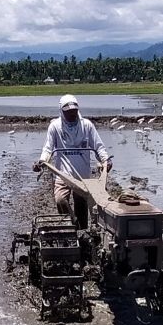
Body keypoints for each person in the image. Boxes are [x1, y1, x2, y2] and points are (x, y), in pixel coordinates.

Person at [32, 94, 111, 228]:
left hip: (82, 175)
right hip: (62, 174)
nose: (72, 114)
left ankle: (83, 232)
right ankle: (71, 222)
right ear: (61, 111)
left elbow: (98, 146)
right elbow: (48, 148)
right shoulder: (55, 126)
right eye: (68, 112)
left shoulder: (86, 125)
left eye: (74, 111)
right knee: (60, 199)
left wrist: (105, 160)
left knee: (81, 203)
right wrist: (42, 161)